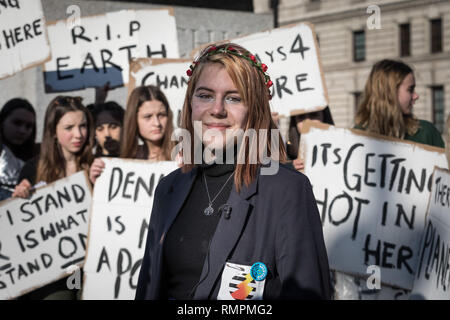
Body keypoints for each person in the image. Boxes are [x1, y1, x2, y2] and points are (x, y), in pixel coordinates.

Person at [135, 43, 332, 300]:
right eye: (205, 95)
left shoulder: (287, 190)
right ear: (190, 103)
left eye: (234, 98)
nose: (217, 109)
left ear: (256, 110)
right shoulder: (169, 188)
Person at [12, 96, 94, 300]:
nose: (78, 134)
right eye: (69, 128)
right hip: (53, 274)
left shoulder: (97, 166)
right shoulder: (32, 169)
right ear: (53, 131)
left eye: (83, 126)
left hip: (90, 267)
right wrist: (20, 199)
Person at [89, 85, 175, 184]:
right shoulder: (123, 161)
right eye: (148, 117)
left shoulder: (185, 153)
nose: (156, 123)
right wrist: (99, 182)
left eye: (161, 115)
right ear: (134, 119)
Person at [355, 59, 445, 148]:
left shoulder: (426, 132)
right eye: (410, 89)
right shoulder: (355, 137)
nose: (416, 96)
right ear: (389, 92)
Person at [0, 99, 37, 200]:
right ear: (3, 121)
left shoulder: (38, 160)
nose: (22, 130)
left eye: (28, 126)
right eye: (17, 123)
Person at [286, 107, 334, 171]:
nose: (307, 122)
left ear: (324, 116)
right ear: (295, 122)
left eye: (313, 115)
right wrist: (289, 169)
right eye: (301, 117)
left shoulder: (342, 146)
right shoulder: (286, 152)